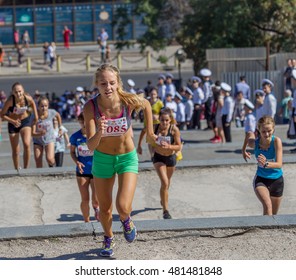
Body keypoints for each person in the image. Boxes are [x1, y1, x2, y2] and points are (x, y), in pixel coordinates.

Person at [83, 63, 156, 257]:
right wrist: (100, 130)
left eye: (112, 83)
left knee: (123, 207)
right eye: (103, 83)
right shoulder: (90, 107)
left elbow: (147, 104)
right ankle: (108, 238)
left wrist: (149, 132)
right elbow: (90, 145)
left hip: (126, 158)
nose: (108, 87)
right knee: (105, 209)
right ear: (96, 85)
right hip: (103, 159)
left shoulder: (127, 101)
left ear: (118, 83)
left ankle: (126, 220)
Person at [242, 116, 284, 216]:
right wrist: (243, 150)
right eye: (263, 131)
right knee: (267, 205)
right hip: (261, 179)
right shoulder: (255, 143)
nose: (266, 134)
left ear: (273, 129)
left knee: (273, 214)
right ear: (259, 130)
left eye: (269, 131)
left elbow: (279, 164)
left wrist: (266, 164)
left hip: (277, 180)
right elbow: (249, 134)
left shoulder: (276, 141)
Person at [152, 107, 182, 219]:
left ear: (170, 120)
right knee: (164, 182)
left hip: (171, 158)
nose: (164, 122)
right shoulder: (155, 128)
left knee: (167, 183)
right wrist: (146, 144)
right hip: (158, 157)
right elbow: (145, 131)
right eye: (162, 120)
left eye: (166, 120)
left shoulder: (174, 130)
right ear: (159, 119)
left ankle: (163, 199)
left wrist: (169, 146)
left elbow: (179, 146)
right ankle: (166, 211)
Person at [70, 112, 99, 223]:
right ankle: (86, 222)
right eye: (82, 122)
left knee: (96, 199)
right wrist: (77, 162)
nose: (84, 124)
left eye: (86, 122)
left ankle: (97, 209)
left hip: (96, 170)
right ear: (79, 122)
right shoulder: (75, 137)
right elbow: (72, 152)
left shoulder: (95, 135)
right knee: (85, 199)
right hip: (82, 170)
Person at [0, 82, 38, 169]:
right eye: (16, 92)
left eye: (20, 91)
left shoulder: (27, 98)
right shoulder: (10, 101)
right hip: (13, 123)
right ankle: (17, 169)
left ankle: (26, 168)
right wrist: (12, 121)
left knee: (27, 144)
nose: (18, 94)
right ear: (13, 92)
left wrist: (36, 116)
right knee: (16, 150)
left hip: (25, 121)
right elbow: (2, 115)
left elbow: (32, 103)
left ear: (23, 91)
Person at [32, 96, 62, 168]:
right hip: (37, 141)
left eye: (46, 106)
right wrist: (40, 133)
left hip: (49, 139)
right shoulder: (35, 116)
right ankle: (40, 176)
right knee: (38, 160)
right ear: (38, 107)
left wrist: (60, 127)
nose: (44, 108)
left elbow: (58, 115)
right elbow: (32, 133)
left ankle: (54, 169)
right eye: (42, 106)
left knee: (50, 159)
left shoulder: (51, 112)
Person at [137, 87, 164, 160]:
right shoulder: (146, 102)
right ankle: (152, 156)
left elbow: (163, 113)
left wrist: (158, 116)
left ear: (157, 95)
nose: (153, 95)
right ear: (149, 94)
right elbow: (141, 110)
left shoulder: (159, 103)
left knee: (157, 139)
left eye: (154, 94)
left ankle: (158, 155)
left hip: (157, 124)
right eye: (151, 94)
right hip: (148, 123)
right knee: (149, 140)